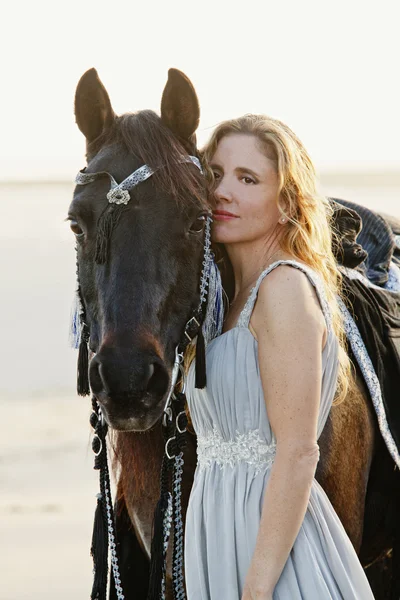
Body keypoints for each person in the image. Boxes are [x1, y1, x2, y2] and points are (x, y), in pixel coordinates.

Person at [183, 114, 375, 599]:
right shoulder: (225, 300)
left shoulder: (284, 287)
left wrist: (257, 589)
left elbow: (298, 451)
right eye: (216, 174)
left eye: (247, 179)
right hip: (220, 535)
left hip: (271, 560)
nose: (222, 192)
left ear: (287, 201)